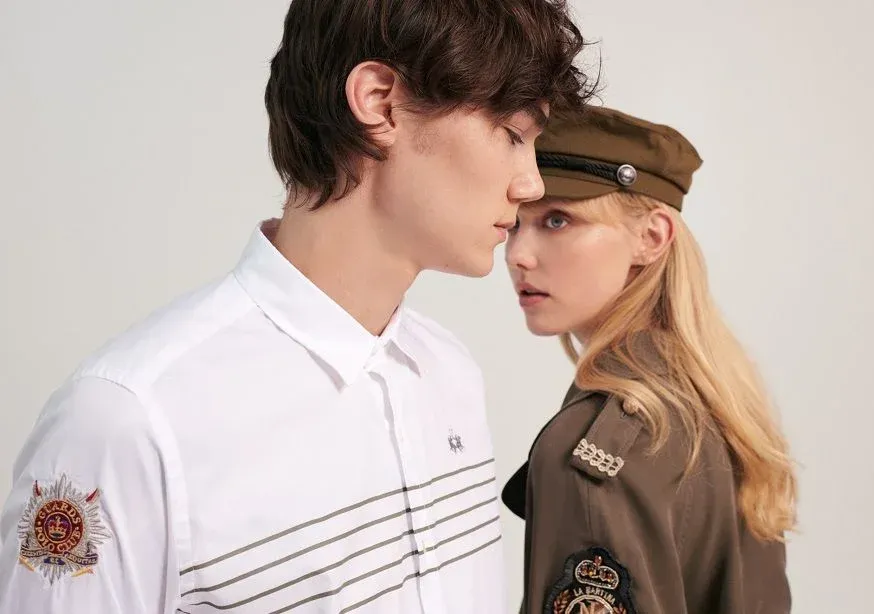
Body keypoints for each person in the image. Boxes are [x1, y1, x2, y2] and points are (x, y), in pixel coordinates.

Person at [0, 1, 595, 612]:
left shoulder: (449, 370)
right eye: (513, 135)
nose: (531, 183)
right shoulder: (125, 423)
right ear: (379, 102)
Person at [501, 106, 797, 613]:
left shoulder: (599, 455)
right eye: (514, 223)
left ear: (651, 237)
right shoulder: (713, 394)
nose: (517, 255)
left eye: (557, 219)